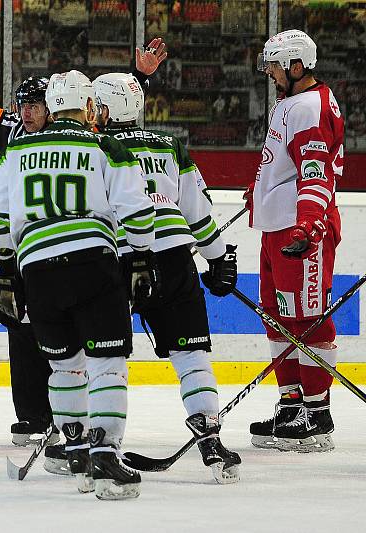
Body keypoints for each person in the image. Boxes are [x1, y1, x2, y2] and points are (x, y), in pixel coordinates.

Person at [0, 33, 167, 448]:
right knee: (26, 335)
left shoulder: (70, 133)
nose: (27, 112)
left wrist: (139, 76)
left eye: (35, 105)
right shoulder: (11, 130)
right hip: (32, 253)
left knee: (70, 343)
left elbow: (103, 103)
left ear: (53, 107)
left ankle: (69, 420)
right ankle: (35, 417)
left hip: (54, 254)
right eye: (23, 105)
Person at [0, 70, 156, 500]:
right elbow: (135, 208)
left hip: (37, 270)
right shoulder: (104, 144)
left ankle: (75, 450)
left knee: (63, 365)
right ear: (86, 106)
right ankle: (104, 454)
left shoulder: (16, 148)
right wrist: (139, 256)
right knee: (106, 362)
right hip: (92, 266)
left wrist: (6, 274)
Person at [92, 72, 241, 483]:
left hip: (123, 259)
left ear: (105, 109)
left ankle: (102, 444)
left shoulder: (98, 146)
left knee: (107, 355)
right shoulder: (170, 145)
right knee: (191, 355)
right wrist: (217, 259)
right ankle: (210, 440)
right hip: (177, 258)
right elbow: (198, 211)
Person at [246, 30, 343, 453]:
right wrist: (261, 190)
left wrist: (308, 225)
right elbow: (284, 164)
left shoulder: (309, 107)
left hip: (302, 228)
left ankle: (317, 415)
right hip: (278, 224)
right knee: (277, 315)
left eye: (274, 65)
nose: (269, 72)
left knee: (309, 318)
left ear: (297, 65)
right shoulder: (291, 103)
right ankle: (291, 404)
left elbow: (317, 172)